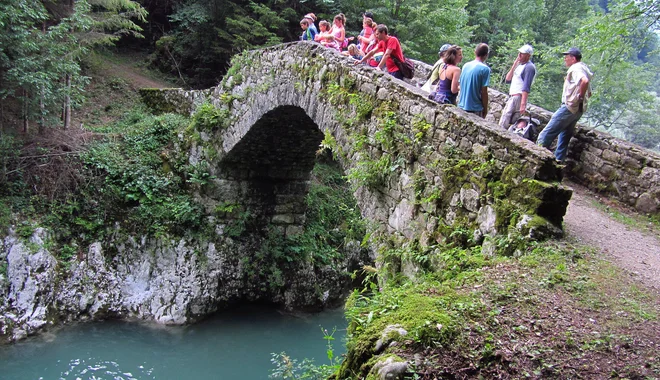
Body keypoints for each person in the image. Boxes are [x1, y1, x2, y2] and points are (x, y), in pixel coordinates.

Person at [537, 47, 592, 162]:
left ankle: (537, 158)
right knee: (564, 138)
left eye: (566, 57)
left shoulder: (576, 68)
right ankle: (558, 163)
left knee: (545, 135)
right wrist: (582, 98)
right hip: (578, 110)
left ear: (573, 58)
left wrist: (579, 97)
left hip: (569, 107)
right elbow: (589, 92)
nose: (565, 59)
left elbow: (584, 81)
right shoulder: (584, 68)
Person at [499, 44, 537, 129]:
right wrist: (515, 63)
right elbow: (508, 79)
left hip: (518, 96)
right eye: (519, 53)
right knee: (506, 117)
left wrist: (523, 104)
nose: (519, 55)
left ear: (528, 55)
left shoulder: (529, 67)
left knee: (506, 118)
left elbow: (526, 86)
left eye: (522, 54)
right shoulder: (520, 66)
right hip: (513, 95)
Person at [458, 43, 491, 118]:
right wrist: (485, 109)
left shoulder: (466, 65)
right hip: (475, 108)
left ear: (475, 52)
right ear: (486, 55)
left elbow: (460, 85)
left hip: (461, 105)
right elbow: (484, 92)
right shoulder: (485, 69)